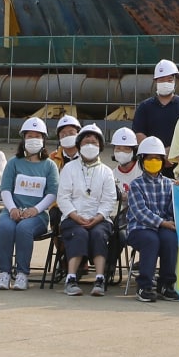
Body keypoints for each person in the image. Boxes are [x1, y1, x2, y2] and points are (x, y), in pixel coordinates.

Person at [0, 118, 59, 291]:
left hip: (37, 216)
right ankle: (4, 273)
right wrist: (12, 208)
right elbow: (5, 189)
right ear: (23, 139)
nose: (33, 139)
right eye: (29, 135)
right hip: (11, 211)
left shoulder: (49, 166)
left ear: (44, 139)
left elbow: (52, 193)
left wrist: (35, 209)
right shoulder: (14, 163)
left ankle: (22, 274)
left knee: (24, 229)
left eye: (37, 136)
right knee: (6, 228)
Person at [57, 125, 118, 297]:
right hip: (73, 217)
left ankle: (99, 279)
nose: (90, 145)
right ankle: (71, 278)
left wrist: (98, 218)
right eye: (86, 142)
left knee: (99, 234)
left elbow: (109, 200)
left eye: (94, 142)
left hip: (99, 219)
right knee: (80, 234)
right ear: (79, 145)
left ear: (100, 146)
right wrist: (76, 216)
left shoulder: (106, 171)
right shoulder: (69, 168)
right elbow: (63, 197)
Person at [127, 136, 179, 302]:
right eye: (150, 158)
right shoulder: (136, 184)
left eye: (158, 158)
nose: (154, 161)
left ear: (163, 162)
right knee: (151, 240)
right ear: (142, 161)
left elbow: (173, 211)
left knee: (171, 239)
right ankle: (144, 285)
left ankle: (166, 284)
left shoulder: (170, 184)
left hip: (163, 228)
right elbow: (139, 212)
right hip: (139, 229)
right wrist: (162, 222)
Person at [132, 59, 179, 157]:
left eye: (169, 80)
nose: (165, 83)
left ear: (175, 81)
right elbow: (139, 133)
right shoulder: (144, 106)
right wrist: (156, 152)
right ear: (156, 81)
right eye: (161, 80)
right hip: (151, 160)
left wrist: (171, 152)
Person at [110, 126, 142, 196]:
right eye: (118, 148)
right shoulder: (111, 175)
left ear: (134, 151)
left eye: (126, 149)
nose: (122, 152)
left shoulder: (142, 169)